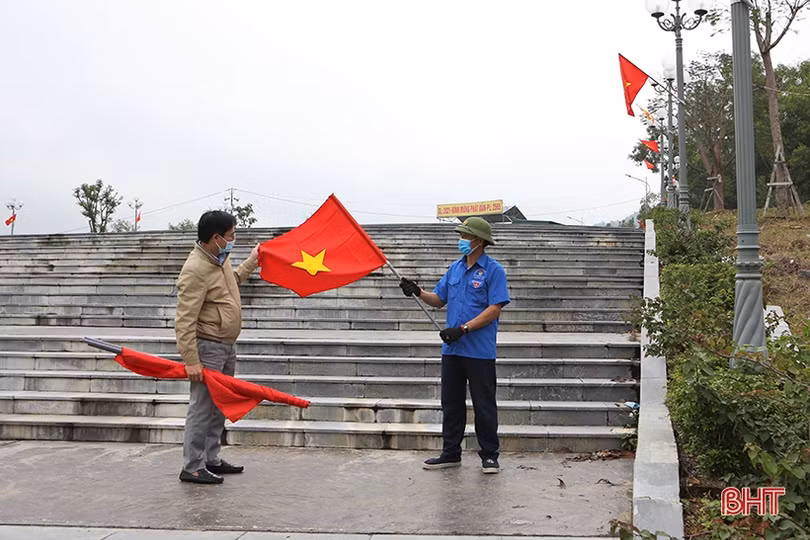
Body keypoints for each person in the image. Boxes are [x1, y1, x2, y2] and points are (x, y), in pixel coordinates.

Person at [399, 217, 510, 474]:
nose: (460, 240)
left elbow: (494, 309)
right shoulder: (455, 269)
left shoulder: (494, 271)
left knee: (483, 405)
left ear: (478, 240)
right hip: (452, 350)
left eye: (465, 235)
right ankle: (450, 453)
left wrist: (463, 329)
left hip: (479, 350)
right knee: (451, 404)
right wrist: (417, 291)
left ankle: (489, 455)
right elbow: (439, 299)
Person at [175, 210, 260, 484]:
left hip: (226, 344)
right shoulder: (195, 270)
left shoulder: (220, 259)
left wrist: (250, 263)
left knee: (218, 405)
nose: (234, 240)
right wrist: (191, 360)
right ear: (216, 238)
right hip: (207, 347)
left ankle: (211, 459)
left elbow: (230, 284)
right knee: (201, 407)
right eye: (231, 236)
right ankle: (192, 466)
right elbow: (184, 320)